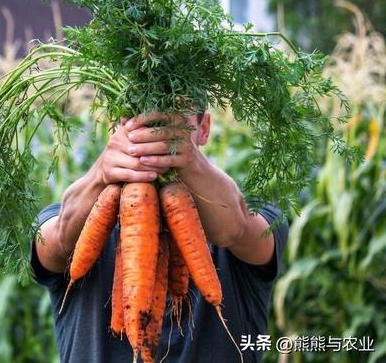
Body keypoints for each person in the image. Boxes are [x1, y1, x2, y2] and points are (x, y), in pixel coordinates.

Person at [31, 111, 289, 362]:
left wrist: (187, 162)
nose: (155, 135)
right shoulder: (74, 216)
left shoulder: (255, 215)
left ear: (204, 129)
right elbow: (57, 243)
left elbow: (239, 228)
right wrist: (101, 175)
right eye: (141, 123)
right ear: (117, 129)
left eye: (174, 121)